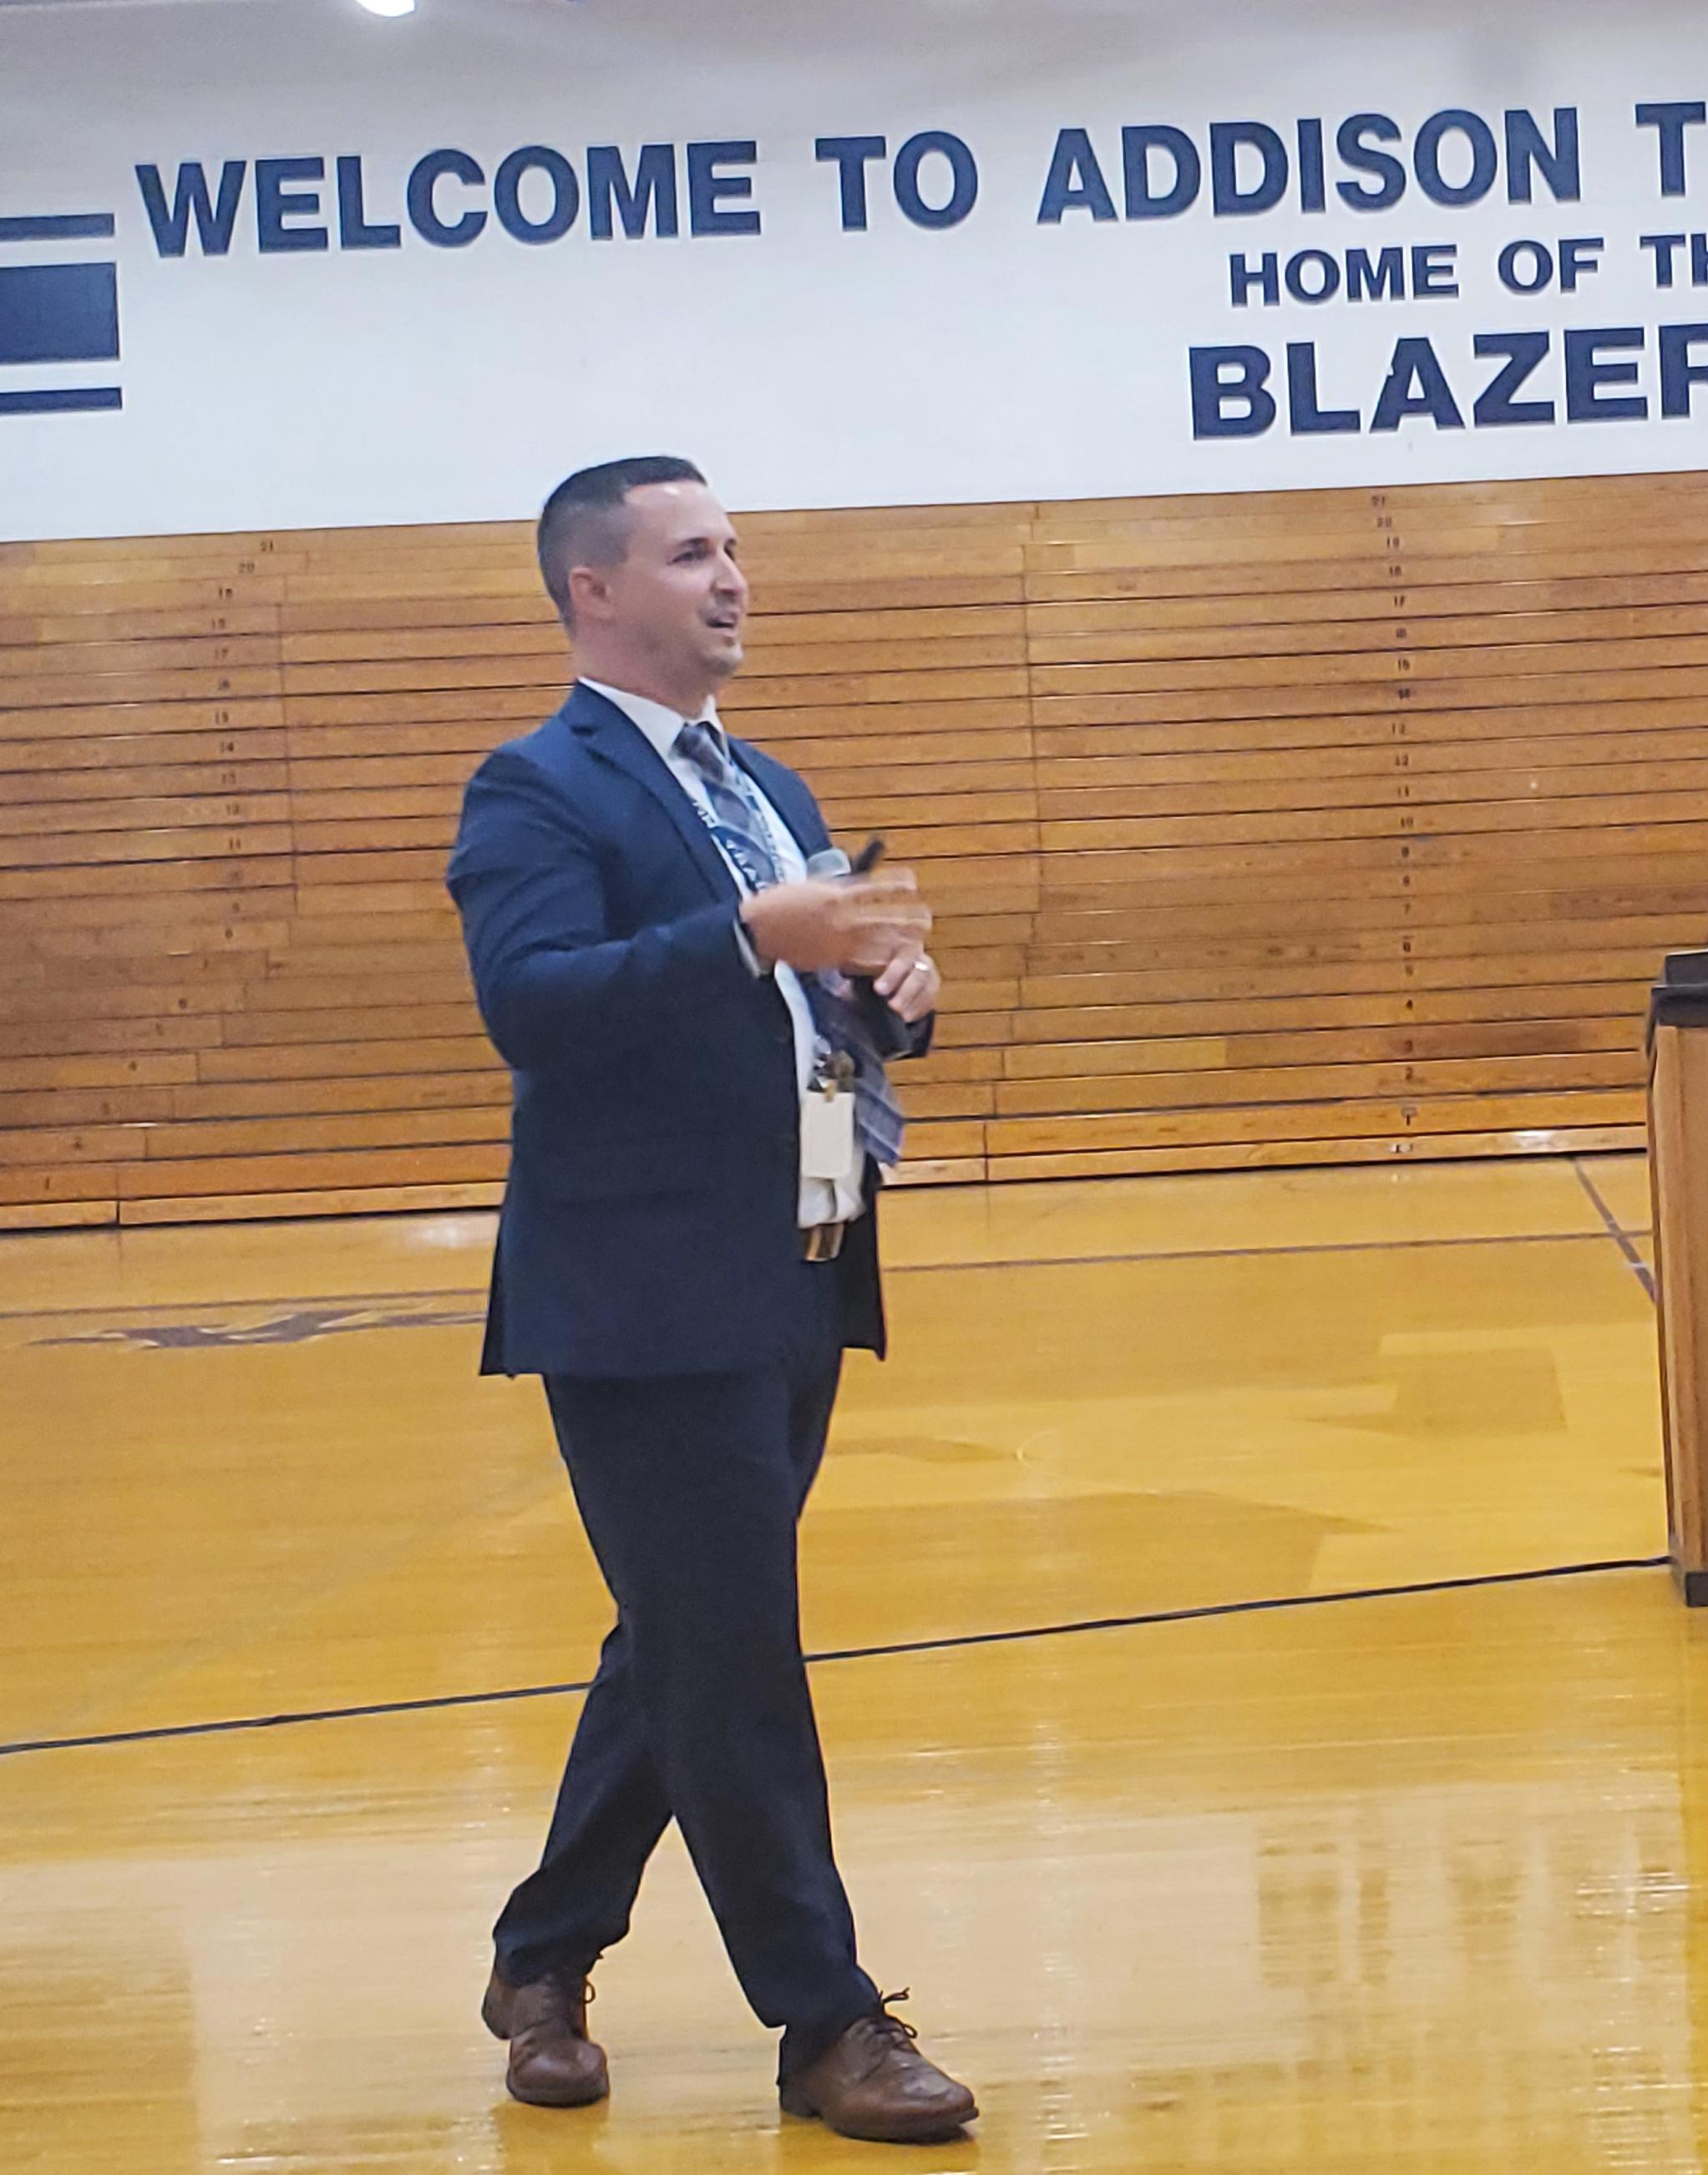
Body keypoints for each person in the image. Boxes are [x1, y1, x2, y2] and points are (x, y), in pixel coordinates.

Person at [444, 455, 976, 2145]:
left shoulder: (766, 781)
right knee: (732, 1651)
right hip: (645, 1293)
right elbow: (535, 1004)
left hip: (798, 1259)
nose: (732, 576)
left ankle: (542, 1957)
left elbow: (816, 1008)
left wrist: (889, 991)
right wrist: (754, 933)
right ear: (594, 590)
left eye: (735, 547)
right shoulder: (537, 787)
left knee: (686, 1636)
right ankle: (827, 2022)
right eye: (691, 554)